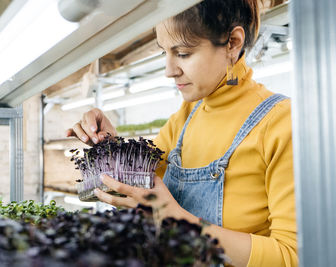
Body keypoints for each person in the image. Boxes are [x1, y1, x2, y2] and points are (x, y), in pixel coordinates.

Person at [67, 0, 297, 266]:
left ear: (233, 43)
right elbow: (143, 186)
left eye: (184, 53)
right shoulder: (187, 116)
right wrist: (111, 147)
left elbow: (295, 256)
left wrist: (176, 221)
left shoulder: (281, 123)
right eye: (164, 51)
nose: (169, 70)